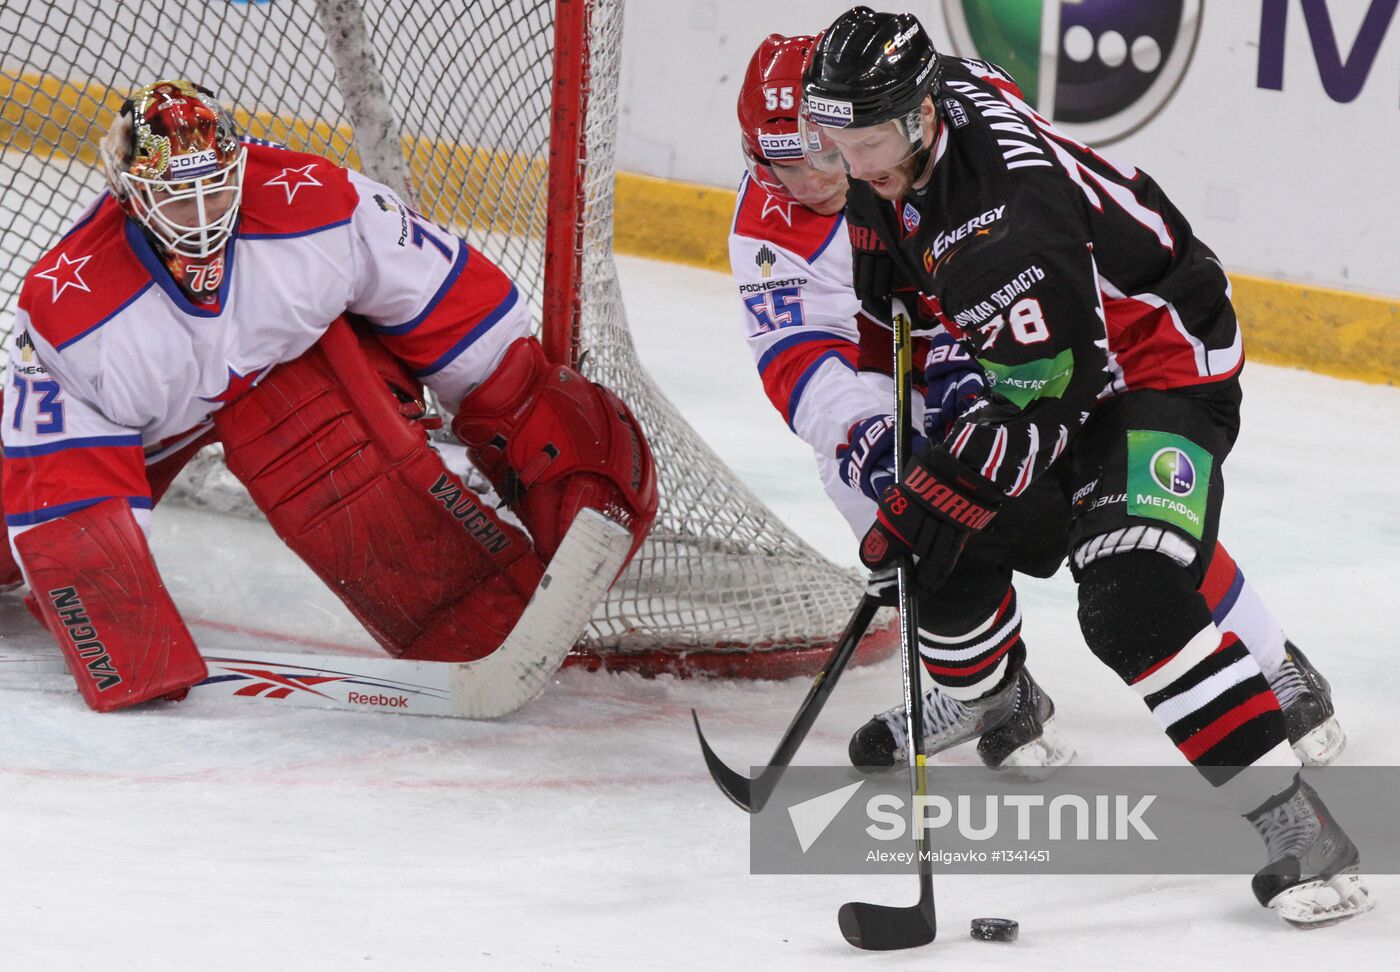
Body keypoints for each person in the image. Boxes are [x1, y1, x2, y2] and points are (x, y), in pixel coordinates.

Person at [798, 7, 1370, 924]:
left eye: (869, 146)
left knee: (1129, 593)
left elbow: (1043, 408)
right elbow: (960, 131)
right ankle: (995, 697)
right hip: (1062, 355)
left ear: (918, 118)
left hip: (1162, 368)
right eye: (837, 142)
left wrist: (932, 497)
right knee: (942, 544)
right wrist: (884, 234)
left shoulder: (1005, 234)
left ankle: (1300, 825)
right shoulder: (936, 99)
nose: (853, 166)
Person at [0, 79, 656, 713]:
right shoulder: (71, 312)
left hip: (280, 374)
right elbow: (69, 497)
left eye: (215, 187)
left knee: (355, 423)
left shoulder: (318, 206)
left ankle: (475, 608)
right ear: (130, 196)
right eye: (176, 197)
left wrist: (546, 426)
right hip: (142, 431)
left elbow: (462, 317)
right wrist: (115, 623)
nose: (201, 217)